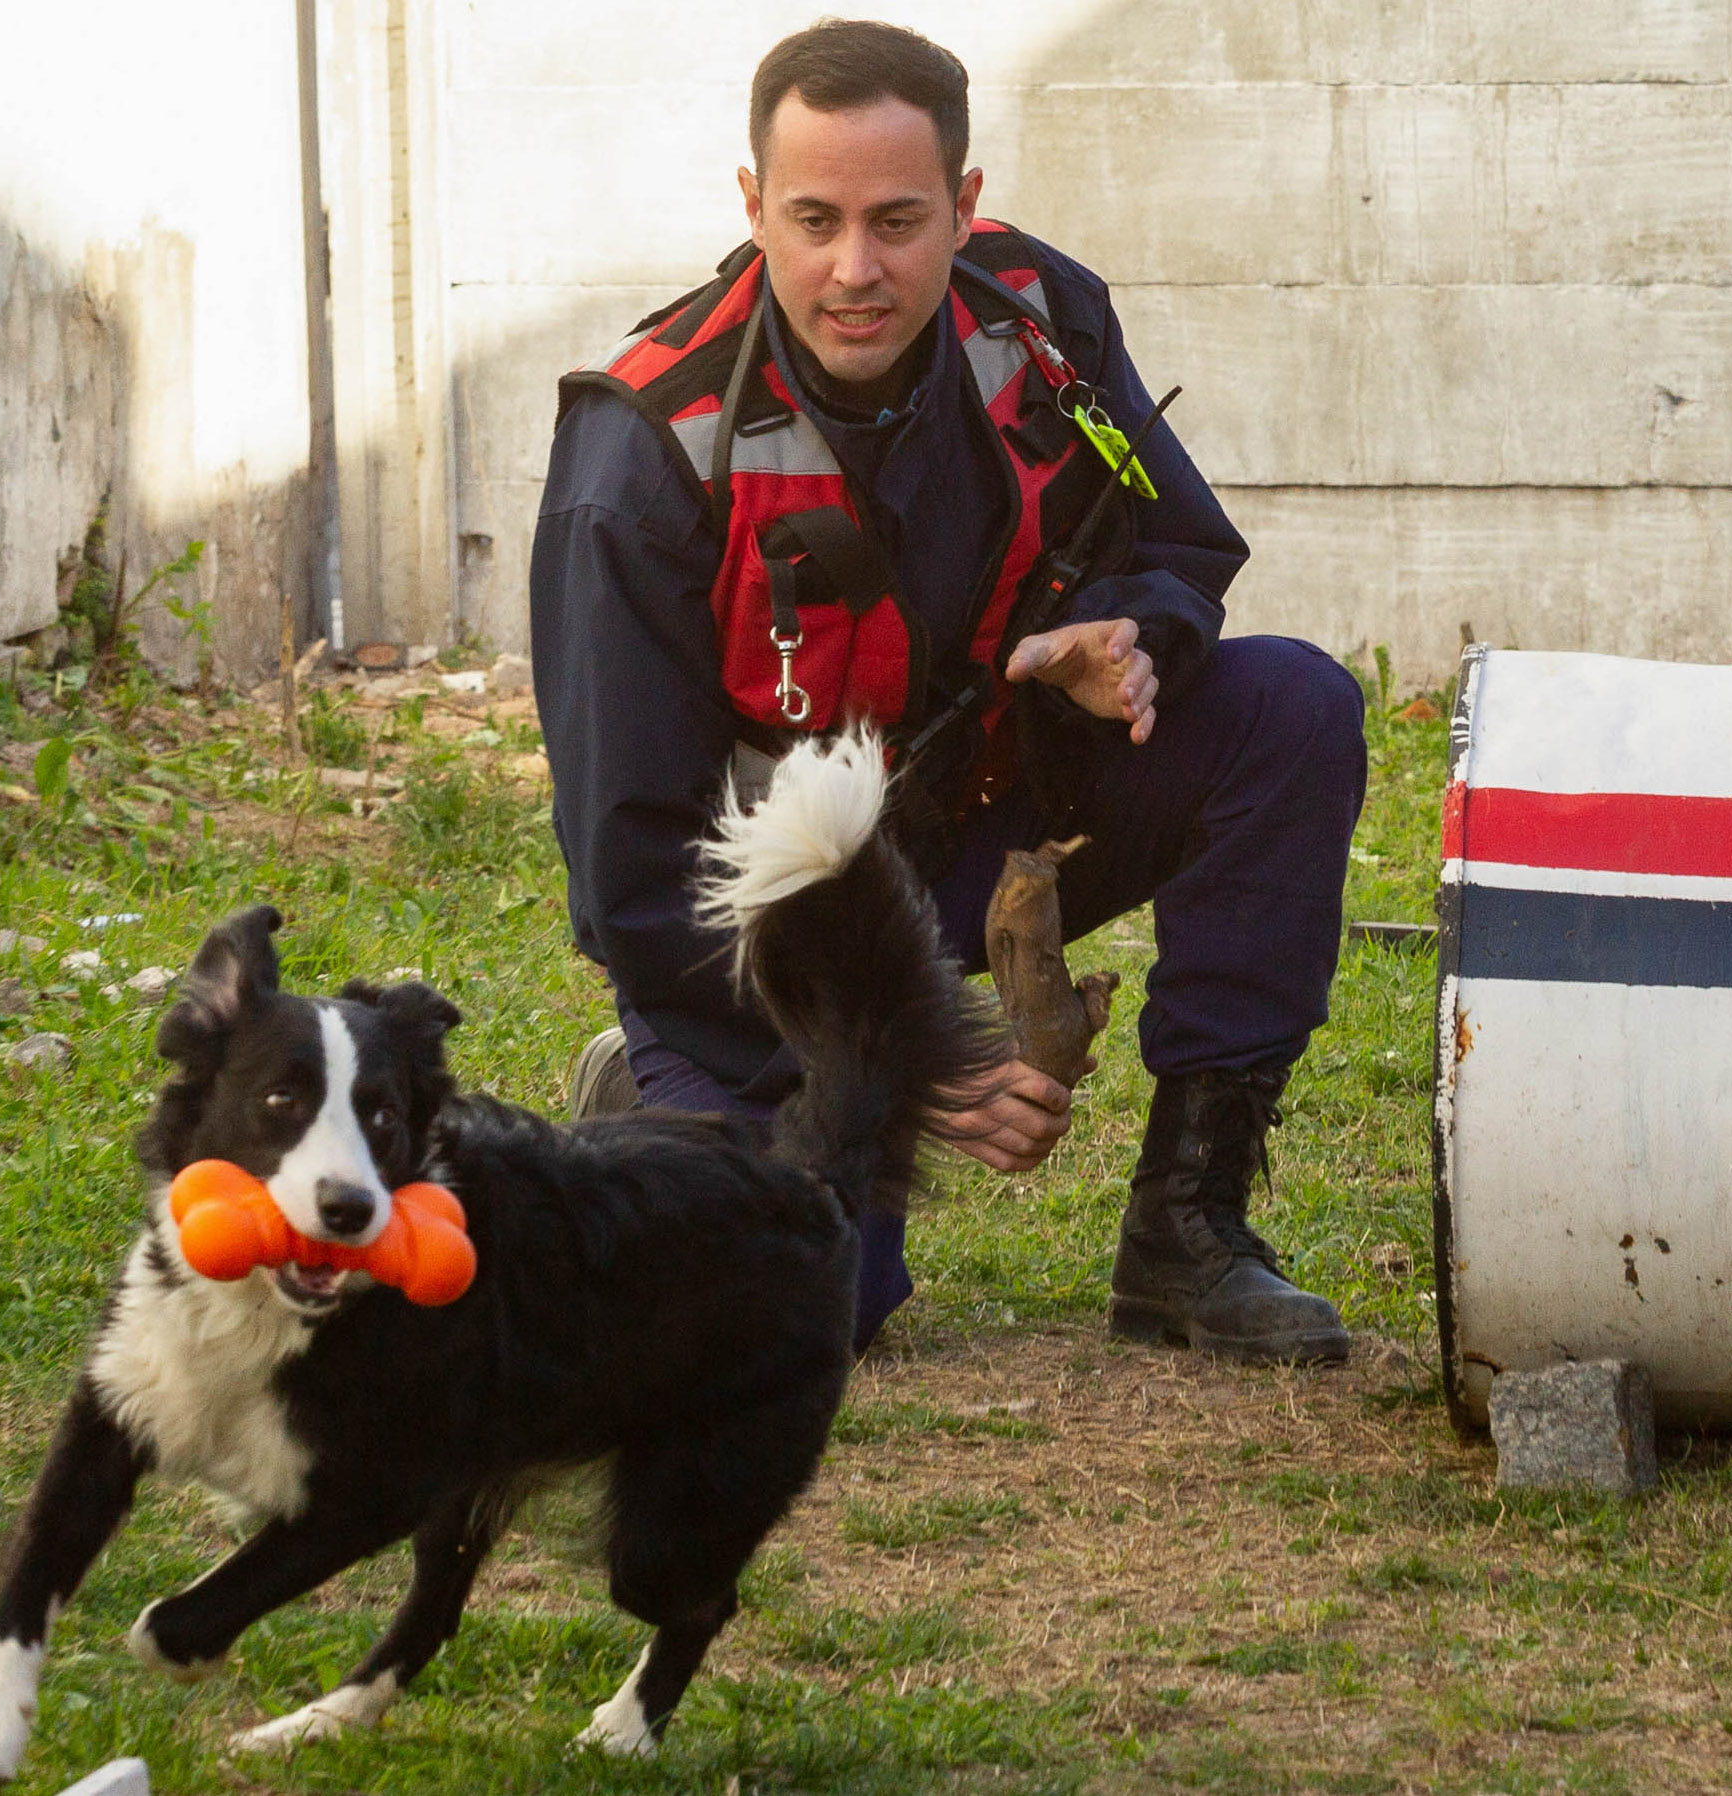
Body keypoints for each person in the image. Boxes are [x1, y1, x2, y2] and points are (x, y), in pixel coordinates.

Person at [529, 19, 1367, 1364]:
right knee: (816, 1312)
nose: (855, 270)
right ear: (752, 205)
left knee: (1293, 709)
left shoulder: (1041, 319)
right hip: (775, 932)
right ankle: (652, 1098)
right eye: (814, 220)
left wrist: (1128, 636)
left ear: (964, 205)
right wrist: (912, 1053)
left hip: (986, 825)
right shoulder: (642, 455)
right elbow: (634, 886)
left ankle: (1189, 1233)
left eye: (899, 221)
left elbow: (1181, 545)